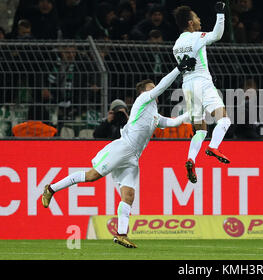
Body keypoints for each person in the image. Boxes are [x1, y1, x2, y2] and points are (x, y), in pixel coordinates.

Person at [41, 56, 196, 249]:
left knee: (128, 195)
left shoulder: (155, 115)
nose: (155, 90)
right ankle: (51, 189)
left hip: (133, 158)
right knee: (91, 176)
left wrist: (193, 112)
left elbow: (173, 122)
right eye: (151, 88)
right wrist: (178, 69)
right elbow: (162, 87)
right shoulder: (141, 102)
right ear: (143, 92)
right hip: (123, 148)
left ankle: (121, 234)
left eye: (153, 88)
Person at [172, 2, 231, 184]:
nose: (199, 20)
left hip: (187, 86)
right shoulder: (196, 36)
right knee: (224, 119)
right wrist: (220, 14)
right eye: (196, 17)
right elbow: (217, 35)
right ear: (190, 22)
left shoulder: (176, 45)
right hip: (203, 83)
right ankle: (213, 147)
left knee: (200, 130)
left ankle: (191, 159)